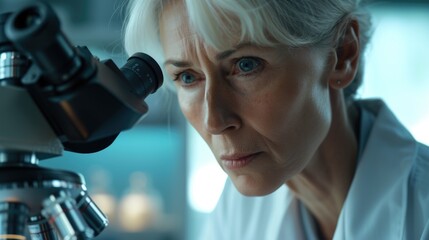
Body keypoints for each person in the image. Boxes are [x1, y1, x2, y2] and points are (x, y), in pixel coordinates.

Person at [123, 0, 429, 239]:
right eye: (188, 77)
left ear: (342, 53)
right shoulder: (240, 209)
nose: (214, 120)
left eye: (245, 65)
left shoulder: (421, 213)